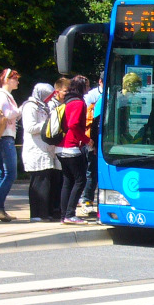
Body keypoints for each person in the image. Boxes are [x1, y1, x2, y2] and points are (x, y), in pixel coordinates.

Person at [21, 83, 61, 221]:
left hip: (45, 149)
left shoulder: (43, 106)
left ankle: (47, 212)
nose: (50, 99)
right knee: (39, 182)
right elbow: (30, 127)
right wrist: (48, 124)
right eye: (48, 96)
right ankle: (37, 214)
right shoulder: (30, 106)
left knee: (47, 182)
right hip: (35, 149)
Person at [56, 75, 91, 225]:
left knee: (68, 180)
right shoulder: (78, 103)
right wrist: (86, 139)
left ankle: (64, 214)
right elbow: (74, 124)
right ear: (82, 87)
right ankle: (70, 214)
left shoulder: (68, 101)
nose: (89, 89)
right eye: (87, 86)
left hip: (61, 146)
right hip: (72, 147)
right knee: (80, 180)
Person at [0, 68, 22, 222]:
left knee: (1, 173)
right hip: (4, 137)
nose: (18, 81)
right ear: (7, 80)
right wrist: (21, 109)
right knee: (10, 174)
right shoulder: (2, 96)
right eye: (15, 79)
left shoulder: (0, 95)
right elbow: (8, 114)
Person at [79, 72, 104, 215]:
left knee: (95, 171)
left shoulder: (108, 94)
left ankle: (94, 202)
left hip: (99, 140)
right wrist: (93, 144)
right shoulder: (95, 97)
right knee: (92, 171)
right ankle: (87, 200)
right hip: (94, 141)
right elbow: (95, 122)